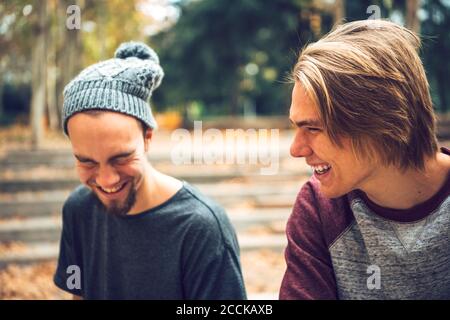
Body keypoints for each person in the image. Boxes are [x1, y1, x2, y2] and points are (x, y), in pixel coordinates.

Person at [53, 41, 246, 300]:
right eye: (87, 162)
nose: (106, 179)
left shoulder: (201, 228)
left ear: (147, 138)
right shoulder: (79, 210)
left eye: (121, 158)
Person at [280, 20, 450, 300]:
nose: (296, 149)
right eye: (296, 127)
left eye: (313, 128)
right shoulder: (319, 207)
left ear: (380, 121)